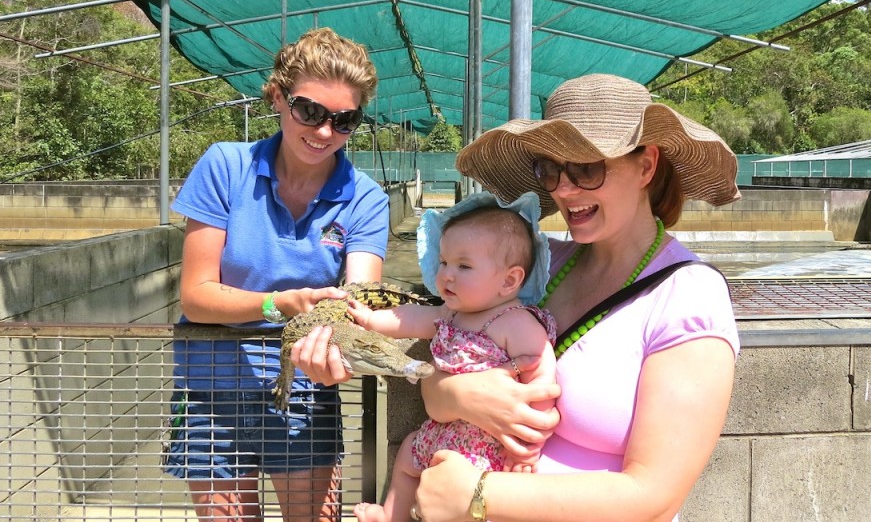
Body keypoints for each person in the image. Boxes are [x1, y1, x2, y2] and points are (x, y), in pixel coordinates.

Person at [292, 72, 741, 522]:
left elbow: (654, 495)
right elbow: (449, 349)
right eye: (552, 170)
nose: (565, 190)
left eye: (587, 169)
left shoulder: (687, 295)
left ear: (646, 167)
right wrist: (453, 393)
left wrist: (478, 494)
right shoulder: (543, 264)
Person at [163, 27, 390, 522]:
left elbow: (359, 297)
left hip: (305, 385)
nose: (324, 131)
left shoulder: (366, 198)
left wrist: (343, 340)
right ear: (277, 97)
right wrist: (279, 304)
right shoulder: (225, 166)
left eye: (344, 120)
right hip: (211, 384)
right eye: (309, 111)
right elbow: (197, 295)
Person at [350, 192, 558, 522]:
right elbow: (410, 318)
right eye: (444, 262)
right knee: (407, 453)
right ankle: (392, 514)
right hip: (445, 429)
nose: (446, 274)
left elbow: (542, 379)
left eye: (464, 266)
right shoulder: (450, 313)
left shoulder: (515, 321)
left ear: (509, 280)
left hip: (490, 442)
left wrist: (527, 446)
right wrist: (371, 319)